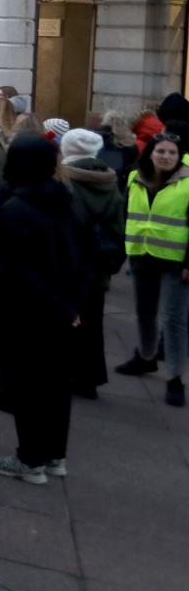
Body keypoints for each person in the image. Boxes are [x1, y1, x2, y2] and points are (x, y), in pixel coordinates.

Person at [0, 137, 86, 483]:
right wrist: (71, 304)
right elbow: (78, 257)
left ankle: (30, 459)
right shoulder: (65, 201)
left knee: (27, 384)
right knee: (56, 384)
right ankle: (55, 454)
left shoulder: (15, 209)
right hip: (62, 305)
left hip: (25, 308)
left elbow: (14, 267)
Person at [114, 132, 189, 407]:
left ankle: (175, 377)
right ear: (150, 154)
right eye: (161, 152)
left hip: (176, 260)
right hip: (142, 254)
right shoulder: (135, 178)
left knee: (174, 320)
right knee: (144, 310)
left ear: (178, 155)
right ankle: (145, 357)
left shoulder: (188, 182)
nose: (166, 156)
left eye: (172, 152)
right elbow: (126, 213)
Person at [58, 128, 126, 400]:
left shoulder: (65, 180)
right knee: (93, 320)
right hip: (99, 260)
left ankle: (68, 372)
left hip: (71, 261)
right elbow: (118, 226)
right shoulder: (108, 179)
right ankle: (90, 377)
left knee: (67, 318)